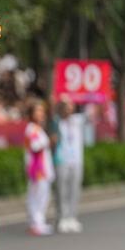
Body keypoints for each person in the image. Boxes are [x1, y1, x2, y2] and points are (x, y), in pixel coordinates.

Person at [50, 96, 84, 233]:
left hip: (76, 160)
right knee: (61, 191)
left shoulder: (77, 121)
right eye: (66, 106)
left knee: (74, 190)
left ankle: (72, 217)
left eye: (71, 106)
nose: (70, 109)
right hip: (61, 160)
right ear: (61, 109)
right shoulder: (56, 123)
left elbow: (96, 114)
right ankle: (62, 218)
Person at [24, 100, 54, 236]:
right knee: (38, 196)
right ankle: (37, 224)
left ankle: (37, 222)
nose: (41, 114)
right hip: (38, 169)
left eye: (42, 111)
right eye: (38, 111)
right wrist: (48, 141)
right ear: (31, 114)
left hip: (41, 168)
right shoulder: (32, 128)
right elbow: (34, 146)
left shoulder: (37, 128)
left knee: (40, 196)